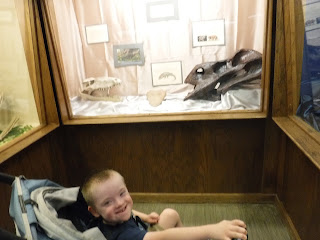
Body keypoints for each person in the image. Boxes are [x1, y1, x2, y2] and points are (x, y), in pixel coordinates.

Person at [81, 169, 248, 240]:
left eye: (122, 193)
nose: (119, 203)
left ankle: (187, 236)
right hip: (149, 237)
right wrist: (211, 230)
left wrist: (145, 217)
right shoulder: (123, 235)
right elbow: (162, 237)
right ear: (95, 211)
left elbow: (130, 212)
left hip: (144, 232)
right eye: (108, 202)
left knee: (170, 214)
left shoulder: (104, 217)